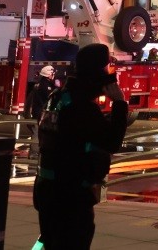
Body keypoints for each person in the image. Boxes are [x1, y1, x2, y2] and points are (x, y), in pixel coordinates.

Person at [33, 44, 128, 250]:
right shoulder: (81, 105)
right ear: (97, 73)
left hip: (48, 191)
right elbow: (112, 142)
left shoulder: (57, 98)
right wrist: (120, 104)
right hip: (70, 197)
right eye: (106, 69)